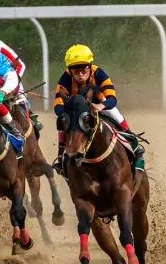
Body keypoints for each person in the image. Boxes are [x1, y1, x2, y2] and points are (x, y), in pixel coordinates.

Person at [52, 44, 145, 172]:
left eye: (83, 70)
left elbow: (112, 99)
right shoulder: (65, 79)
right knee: (64, 121)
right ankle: (61, 155)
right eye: (75, 71)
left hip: (99, 103)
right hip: (76, 108)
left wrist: (100, 106)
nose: (80, 75)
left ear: (90, 66)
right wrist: (70, 111)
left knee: (116, 115)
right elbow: (57, 107)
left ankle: (133, 144)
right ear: (70, 70)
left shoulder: (99, 73)